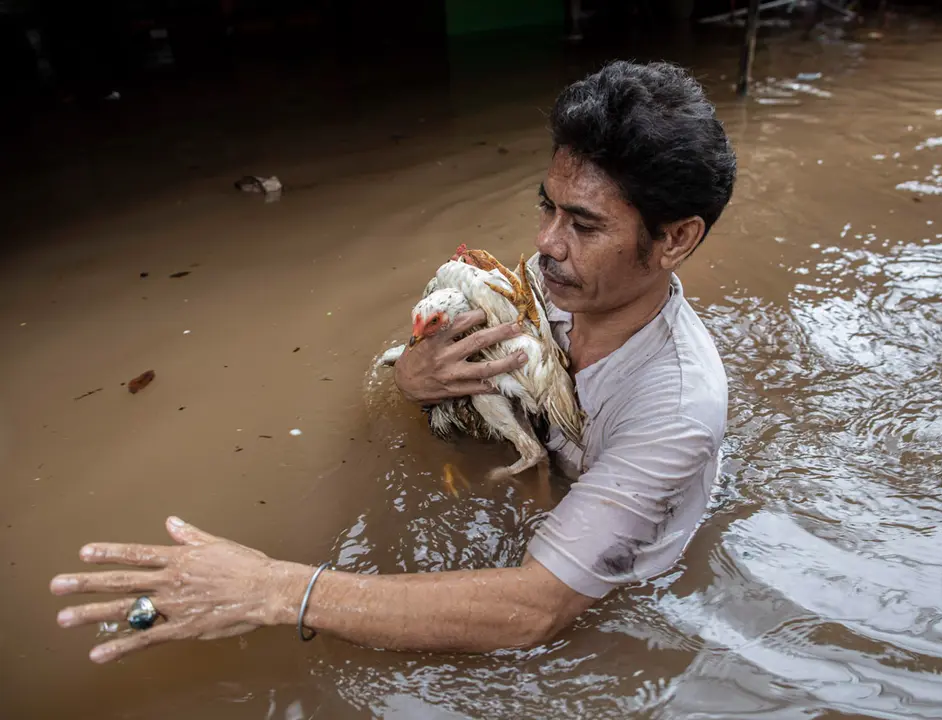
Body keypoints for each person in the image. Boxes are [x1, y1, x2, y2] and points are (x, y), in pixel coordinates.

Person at [49, 60, 736, 664]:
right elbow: (397, 384)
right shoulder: (546, 284)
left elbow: (535, 611)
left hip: (620, 599)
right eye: (545, 207)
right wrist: (412, 377)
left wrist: (271, 589)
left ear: (674, 239)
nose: (546, 243)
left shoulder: (674, 407)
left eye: (584, 225)